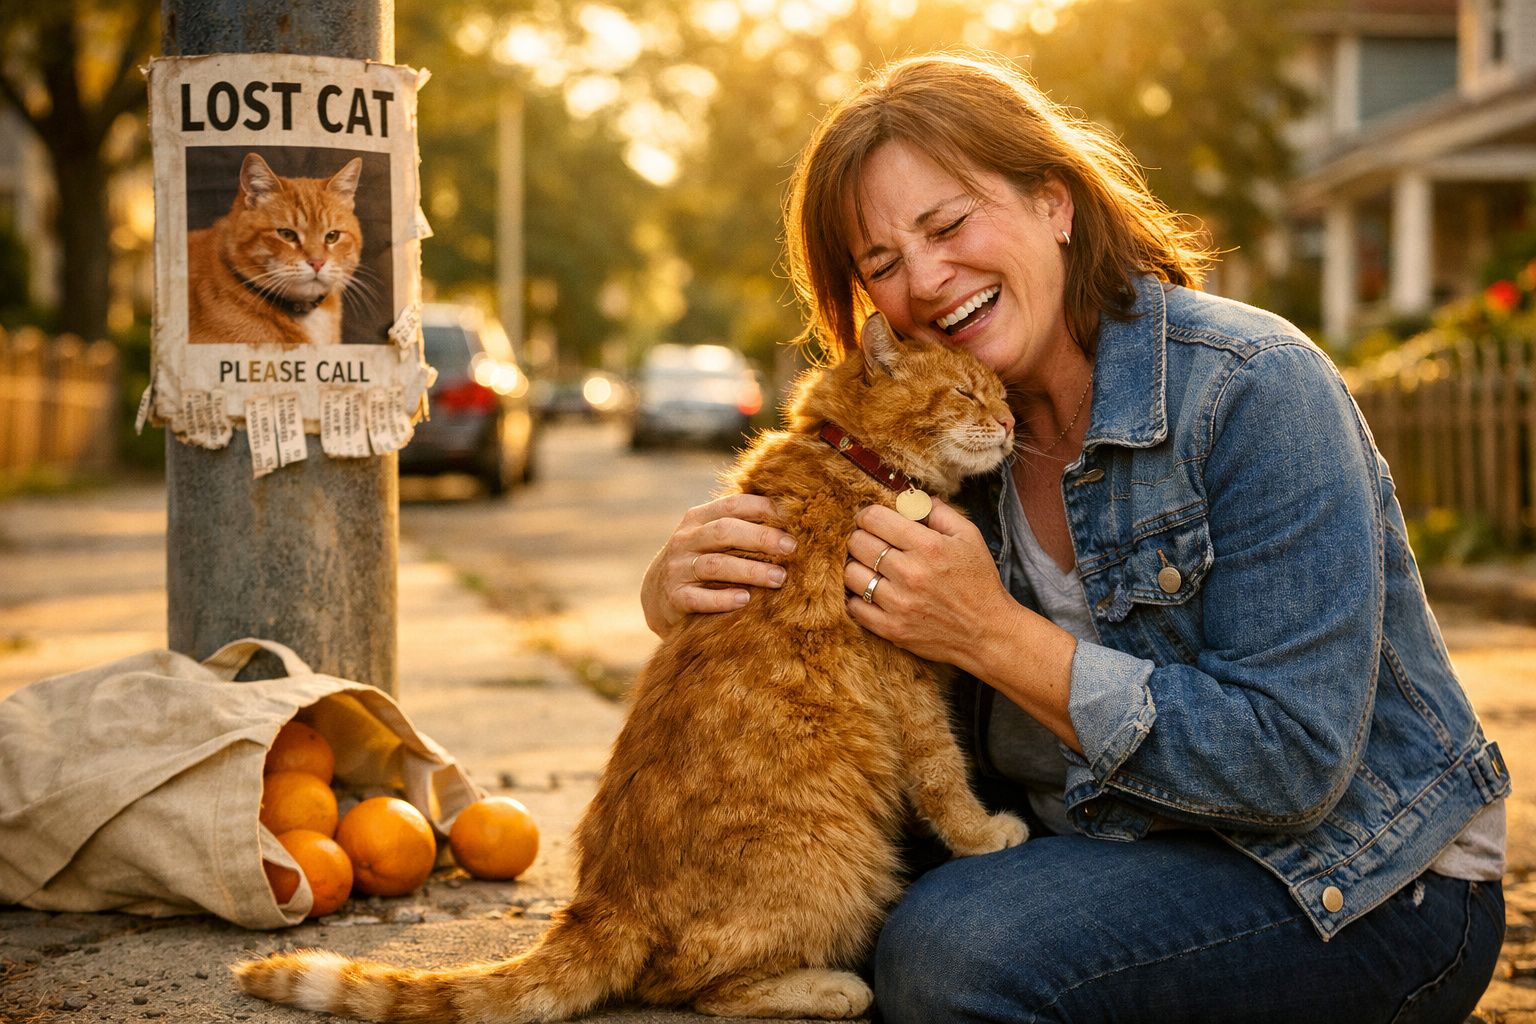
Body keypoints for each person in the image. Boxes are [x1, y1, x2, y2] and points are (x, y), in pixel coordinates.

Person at [640, 53, 1509, 1022]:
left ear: (1055, 203)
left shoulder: (1255, 387)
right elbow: (839, 707)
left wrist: (991, 632)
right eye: (881, 264)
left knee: (952, 950)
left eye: (949, 223)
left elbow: (1290, 763)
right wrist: (683, 593)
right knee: (838, 908)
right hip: (1110, 847)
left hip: (1359, 876)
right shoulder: (955, 442)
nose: (926, 279)